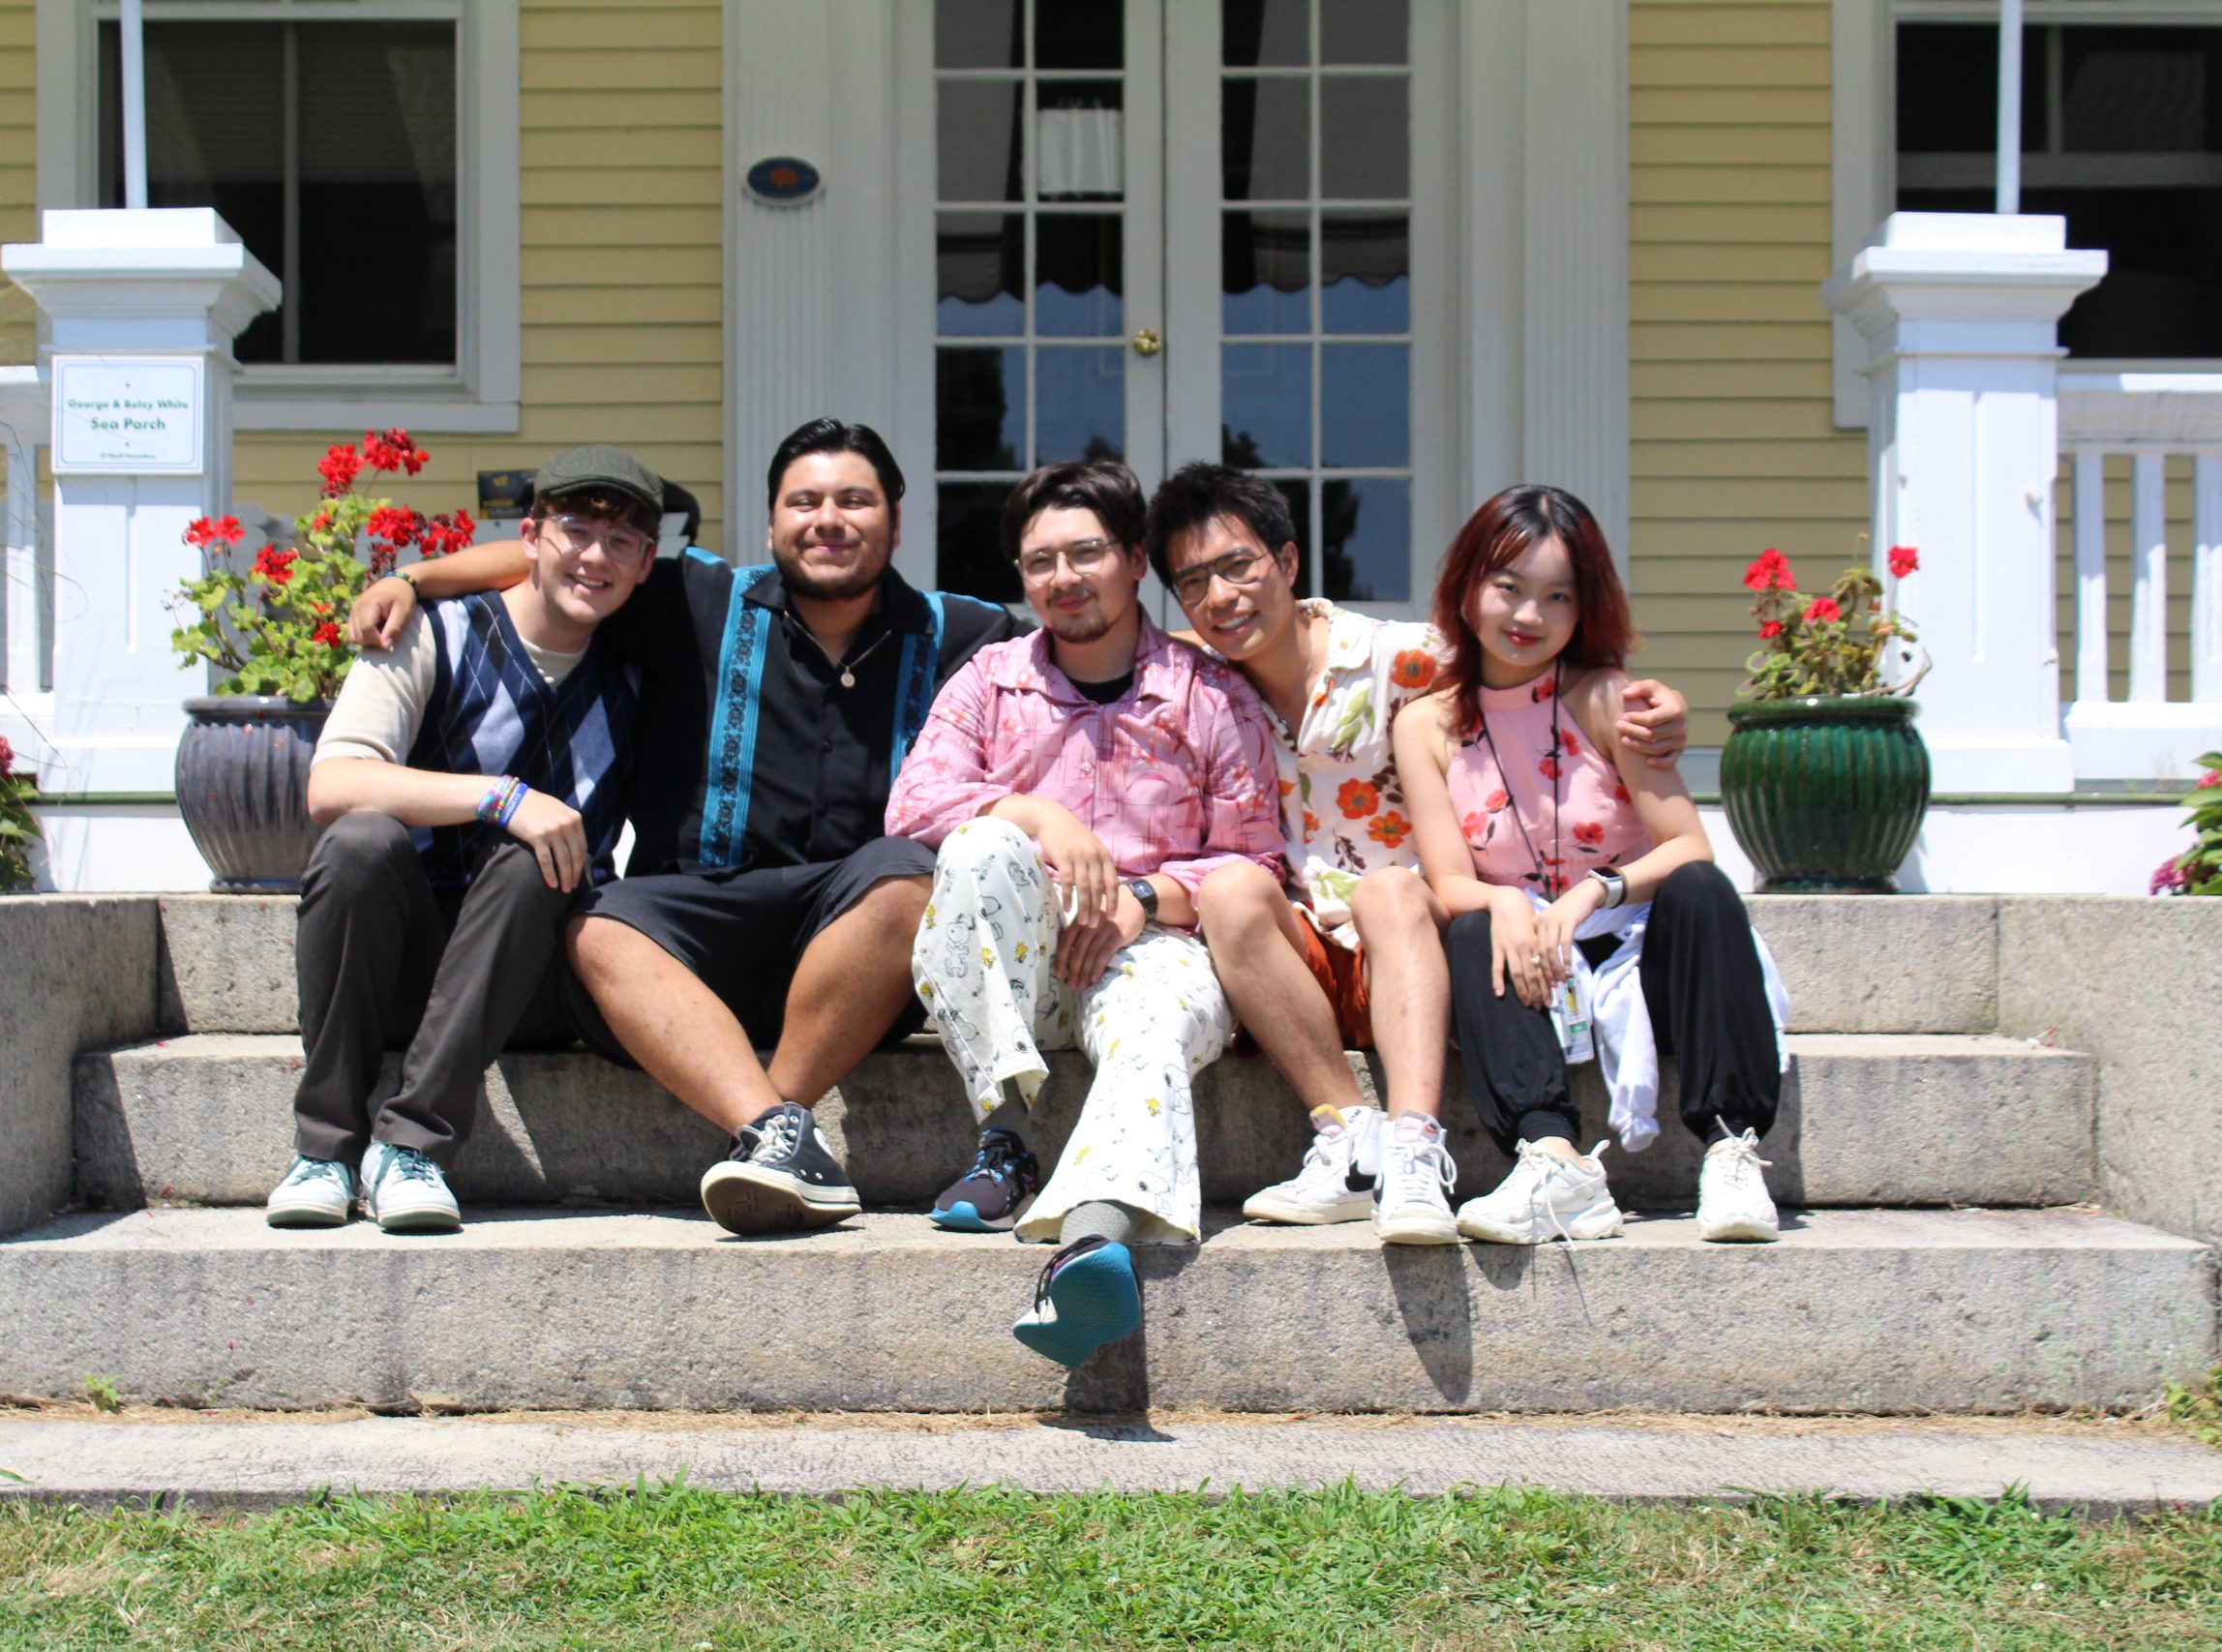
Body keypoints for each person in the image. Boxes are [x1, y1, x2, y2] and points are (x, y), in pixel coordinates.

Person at [348, 419, 1021, 1235]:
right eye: (803, 501)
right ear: (771, 522)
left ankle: (775, 1121)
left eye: (855, 500)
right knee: (594, 925)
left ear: (895, 521)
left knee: (910, 879)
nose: (828, 519)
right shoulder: (694, 600)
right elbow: (565, 560)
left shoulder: (966, 633)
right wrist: (416, 580)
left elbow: (1089, 654)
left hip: (857, 947)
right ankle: (777, 1133)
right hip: (685, 933)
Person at [1139, 464, 1692, 1246]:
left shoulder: (1405, 658)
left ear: (1288, 564)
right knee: (1230, 891)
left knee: (1391, 890)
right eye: (1194, 582)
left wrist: (1655, 704)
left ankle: (1413, 1150)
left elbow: (1535, 665)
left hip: (1425, 937)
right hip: (1304, 963)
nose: (1221, 596)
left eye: (1238, 566)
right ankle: (1348, 1138)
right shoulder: (1198, 682)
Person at [886, 461, 1282, 1367]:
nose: (1063, 578)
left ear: (1135, 557)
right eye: (1039, 562)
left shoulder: (1209, 694)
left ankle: (1090, 1242)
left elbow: (1254, 857)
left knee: (1153, 1015)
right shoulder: (990, 682)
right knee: (977, 846)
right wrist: (1037, 814)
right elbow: (913, 804)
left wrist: (1145, 899)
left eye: (1086, 553)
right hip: (1023, 962)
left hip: (1157, 950)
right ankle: (1006, 1145)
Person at [271, 444, 657, 1235]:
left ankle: (413, 1148)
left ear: (648, 562)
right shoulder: (430, 635)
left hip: (534, 977)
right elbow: (331, 785)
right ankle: (326, 1152)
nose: (594, 557)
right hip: (404, 955)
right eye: (575, 531)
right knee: (359, 844)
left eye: (621, 541)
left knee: (539, 857)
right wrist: (501, 796)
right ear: (531, 537)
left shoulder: (645, 664)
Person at [1390, 484, 1788, 1246]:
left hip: (1640, 940)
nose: (1528, 616)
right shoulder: (1426, 725)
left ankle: (1733, 1150)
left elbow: (1688, 846)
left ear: (1584, 609)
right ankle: (1553, 1158)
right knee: (1473, 925)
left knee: (1703, 889)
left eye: (1558, 596)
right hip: (1534, 957)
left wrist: (1588, 894)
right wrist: (1508, 902)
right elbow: (1446, 877)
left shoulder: (1609, 698)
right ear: (1469, 587)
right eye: (1508, 587)